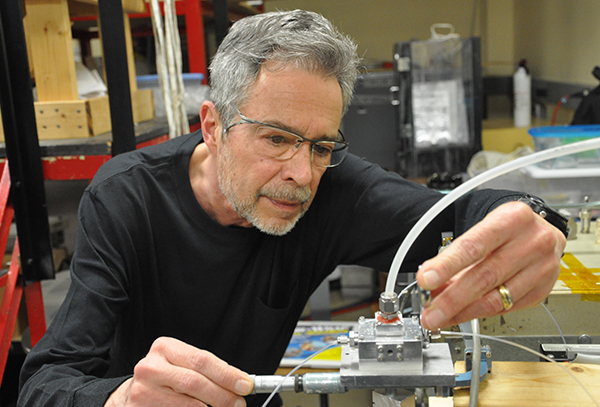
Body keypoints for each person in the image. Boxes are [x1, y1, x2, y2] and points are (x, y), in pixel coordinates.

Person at [18, 9, 566, 407]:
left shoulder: (332, 188)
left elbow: (453, 213)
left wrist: (537, 221)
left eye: (322, 146)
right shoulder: (126, 197)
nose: (302, 175)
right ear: (212, 126)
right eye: (276, 139)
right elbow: (44, 384)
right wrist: (124, 400)